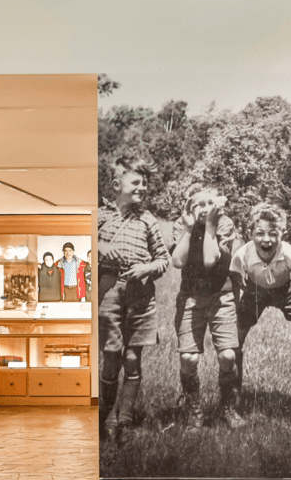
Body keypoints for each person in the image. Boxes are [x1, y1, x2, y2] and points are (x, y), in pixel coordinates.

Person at [98, 155, 169, 440]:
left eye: (145, 183)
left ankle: (123, 419)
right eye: (136, 182)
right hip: (109, 294)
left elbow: (163, 259)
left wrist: (146, 268)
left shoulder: (148, 220)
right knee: (112, 356)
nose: (143, 187)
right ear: (117, 184)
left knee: (132, 357)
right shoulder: (100, 216)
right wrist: (100, 245)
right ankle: (104, 417)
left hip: (141, 297)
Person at [229, 202, 291, 417]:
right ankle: (232, 400)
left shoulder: (290, 253)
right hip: (255, 290)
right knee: (234, 339)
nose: (266, 239)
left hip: (288, 289)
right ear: (250, 233)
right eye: (260, 233)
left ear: (282, 234)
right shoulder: (243, 254)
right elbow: (234, 283)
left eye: (273, 234)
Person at [170, 186, 244, 428]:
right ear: (190, 207)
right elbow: (178, 261)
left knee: (228, 355)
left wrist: (210, 227)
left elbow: (211, 261)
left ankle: (228, 407)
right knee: (189, 358)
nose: (205, 208)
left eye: (209, 203)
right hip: (191, 297)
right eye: (199, 204)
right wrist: (189, 229)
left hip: (221, 297)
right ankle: (194, 408)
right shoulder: (182, 225)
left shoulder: (224, 225)